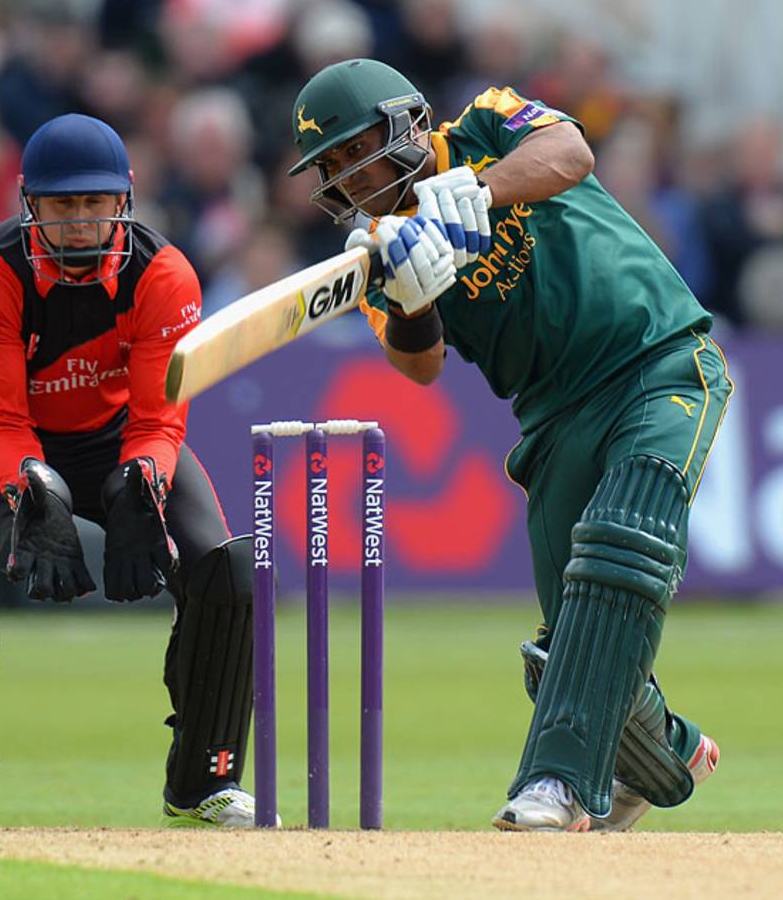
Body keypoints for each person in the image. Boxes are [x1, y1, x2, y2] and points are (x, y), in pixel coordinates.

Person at [288, 59, 732, 832]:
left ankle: (557, 786)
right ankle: (664, 754)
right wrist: (414, 297)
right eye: (329, 169)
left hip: (659, 359)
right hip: (556, 420)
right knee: (569, 649)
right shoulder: (379, 254)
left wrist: (478, 191)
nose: (346, 179)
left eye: (351, 151)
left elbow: (571, 155)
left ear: (404, 125)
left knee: (624, 541)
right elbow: (418, 363)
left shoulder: (488, 122)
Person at [0, 113, 260, 829]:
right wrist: (33, 485)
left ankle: (202, 784)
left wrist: (139, 482)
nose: (81, 223)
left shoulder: (164, 273)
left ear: (123, 199)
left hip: (119, 437)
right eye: (63, 206)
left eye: (95, 204)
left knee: (225, 572)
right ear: (30, 204)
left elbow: (159, 420)